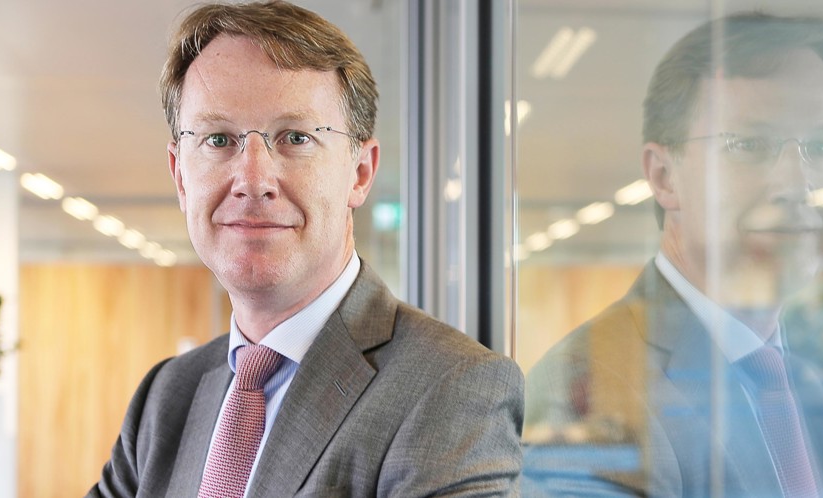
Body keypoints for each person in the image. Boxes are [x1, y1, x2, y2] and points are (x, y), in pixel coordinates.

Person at [90, 2, 523, 496]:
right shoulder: (165, 397)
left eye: (295, 137)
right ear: (180, 176)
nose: (252, 181)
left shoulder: (452, 390)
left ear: (359, 172)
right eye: (217, 139)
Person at [523, 12, 823, 497]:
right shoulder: (587, 387)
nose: (797, 184)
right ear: (664, 176)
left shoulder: (808, 390)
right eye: (750, 144)